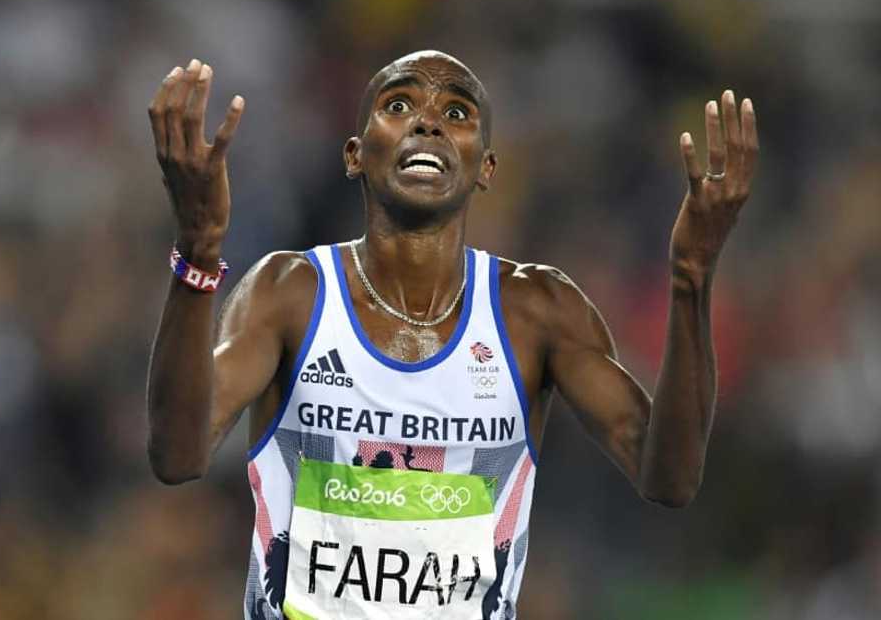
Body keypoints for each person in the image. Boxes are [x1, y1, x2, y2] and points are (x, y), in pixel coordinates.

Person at [146, 52, 759, 619]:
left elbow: (670, 478)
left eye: (457, 112)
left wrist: (691, 278)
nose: (428, 122)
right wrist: (199, 250)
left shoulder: (537, 312)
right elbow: (177, 455)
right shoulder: (290, 294)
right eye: (399, 104)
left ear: (485, 167)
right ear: (355, 154)